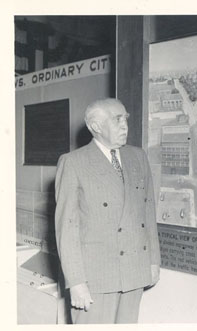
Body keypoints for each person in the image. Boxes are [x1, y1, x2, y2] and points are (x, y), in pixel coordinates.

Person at [55, 98, 160, 324]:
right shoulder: (74, 162)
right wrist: (76, 282)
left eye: (125, 119)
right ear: (96, 127)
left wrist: (153, 262)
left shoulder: (138, 156)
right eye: (117, 119)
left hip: (134, 269)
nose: (125, 125)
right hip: (95, 276)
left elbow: (148, 213)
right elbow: (67, 228)